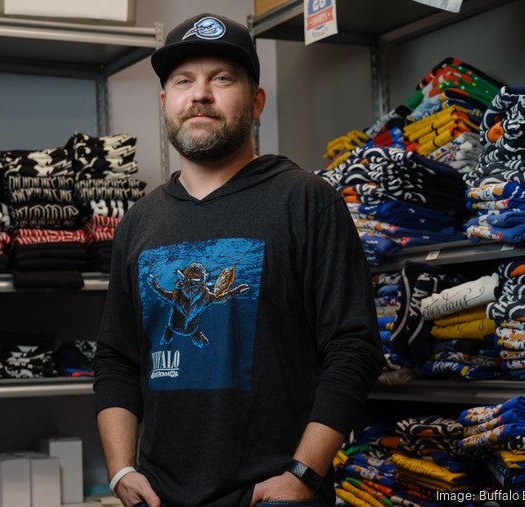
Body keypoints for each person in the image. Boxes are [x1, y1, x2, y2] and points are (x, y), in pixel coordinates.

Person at [93, 12, 383, 507]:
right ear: (166, 103)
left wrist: (302, 474)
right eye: (183, 81)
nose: (199, 94)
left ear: (256, 101)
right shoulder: (140, 221)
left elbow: (353, 349)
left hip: (273, 496)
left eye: (221, 78)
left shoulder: (307, 201)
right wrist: (121, 469)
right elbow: (117, 359)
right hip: (160, 496)